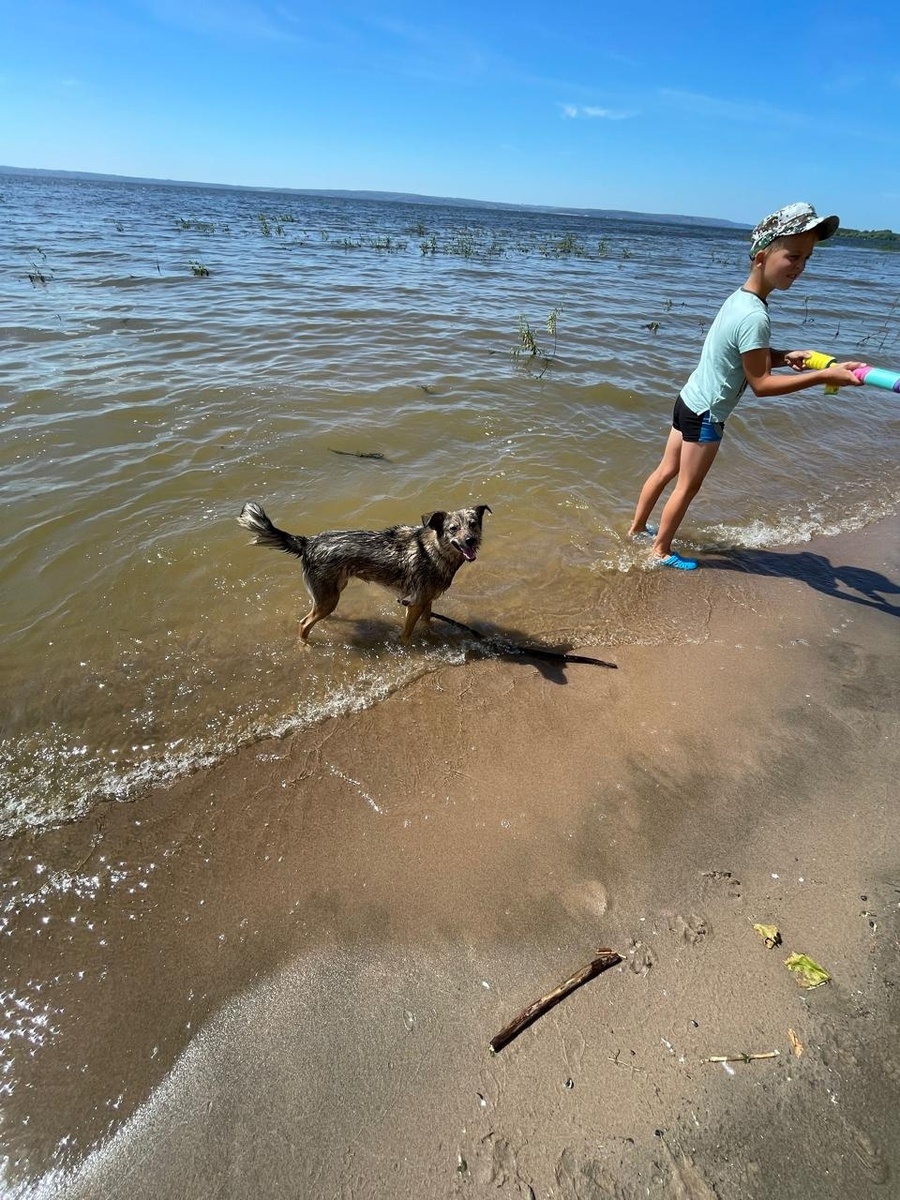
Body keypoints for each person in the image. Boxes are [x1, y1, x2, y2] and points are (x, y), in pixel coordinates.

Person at [628, 202, 864, 569]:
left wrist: (786, 356)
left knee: (665, 470)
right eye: (793, 256)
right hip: (707, 413)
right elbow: (761, 385)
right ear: (761, 256)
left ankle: (637, 528)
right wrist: (823, 375)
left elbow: (744, 354)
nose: (800, 267)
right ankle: (659, 550)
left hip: (688, 398)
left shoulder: (740, 299)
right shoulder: (756, 316)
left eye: (806, 259)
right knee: (687, 486)